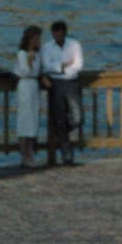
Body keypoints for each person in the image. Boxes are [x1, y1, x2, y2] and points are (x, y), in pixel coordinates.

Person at [43, 16, 86, 165]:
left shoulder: (74, 45)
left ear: (64, 33)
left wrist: (60, 68)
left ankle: (61, 132)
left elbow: (78, 65)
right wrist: (63, 66)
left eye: (59, 33)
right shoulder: (47, 47)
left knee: (78, 117)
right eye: (54, 34)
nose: (57, 36)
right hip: (55, 84)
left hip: (71, 83)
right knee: (59, 118)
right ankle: (67, 155)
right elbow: (46, 66)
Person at [10, 26, 48, 168]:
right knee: (24, 120)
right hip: (25, 85)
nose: (38, 41)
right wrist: (30, 61)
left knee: (33, 120)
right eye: (36, 38)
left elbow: (39, 71)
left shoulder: (38, 54)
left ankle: (31, 152)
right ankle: (24, 154)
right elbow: (25, 71)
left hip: (34, 86)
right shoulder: (22, 54)